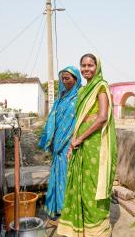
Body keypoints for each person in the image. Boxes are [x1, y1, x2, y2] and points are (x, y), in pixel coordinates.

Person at [57, 54, 117, 237]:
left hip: (96, 144)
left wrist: (79, 139)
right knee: (80, 185)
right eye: (83, 65)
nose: (86, 69)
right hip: (80, 143)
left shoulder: (101, 86)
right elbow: (79, 120)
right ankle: (81, 228)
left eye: (90, 65)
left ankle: (96, 230)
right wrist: (73, 143)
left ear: (97, 66)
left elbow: (102, 117)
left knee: (93, 185)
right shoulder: (82, 90)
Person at [38, 66, 82, 220]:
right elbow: (53, 119)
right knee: (57, 175)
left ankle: (67, 211)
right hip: (57, 142)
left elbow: (80, 121)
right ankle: (56, 208)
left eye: (68, 78)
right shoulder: (61, 97)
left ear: (76, 79)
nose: (65, 81)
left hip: (69, 144)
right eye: (63, 78)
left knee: (67, 176)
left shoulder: (79, 97)